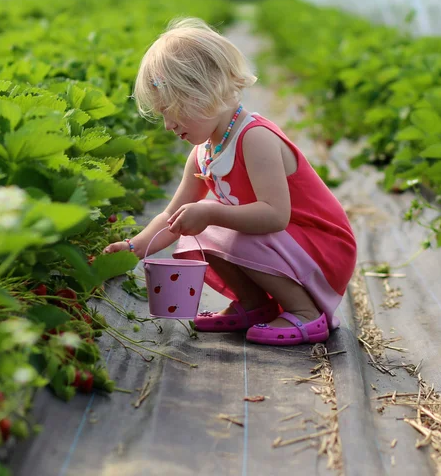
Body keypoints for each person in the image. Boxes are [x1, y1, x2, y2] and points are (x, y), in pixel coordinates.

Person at [103, 18, 357, 346]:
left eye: (173, 111)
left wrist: (209, 213)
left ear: (204, 92)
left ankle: (306, 314)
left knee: (210, 221)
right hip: (288, 248)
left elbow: (275, 215)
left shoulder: (255, 138)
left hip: (322, 249)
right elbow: (172, 216)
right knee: (197, 227)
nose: (167, 125)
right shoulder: (203, 152)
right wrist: (133, 248)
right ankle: (255, 306)